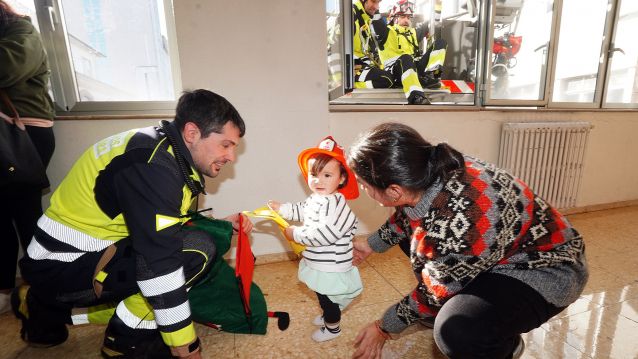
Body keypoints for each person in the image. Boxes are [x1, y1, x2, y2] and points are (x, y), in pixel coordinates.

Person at [11, 89, 253, 359]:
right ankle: (126, 339)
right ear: (192, 133)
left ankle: (39, 306)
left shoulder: (160, 150)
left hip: (63, 259)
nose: (231, 157)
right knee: (195, 250)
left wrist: (218, 225)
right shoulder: (153, 167)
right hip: (61, 265)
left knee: (190, 241)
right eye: (226, 145)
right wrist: (185, 346)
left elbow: (161, 221)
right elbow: (160, 262)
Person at [348, 123, 588, 358]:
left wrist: (384, 327)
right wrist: (369, 245)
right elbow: (411, 213)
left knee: (458, 331)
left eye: (364, 185)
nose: (362, 189)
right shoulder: (435, 167)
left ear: (393, 191)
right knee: (417, 245)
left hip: (546, 268)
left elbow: (433, 292)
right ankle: (463, 297)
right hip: (498, 250)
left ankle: (503, 346)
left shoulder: (458, 222)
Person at [268, 136, 363, 342]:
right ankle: (327, 314)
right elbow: (302, 210)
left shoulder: (337, 206)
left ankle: (333, 328)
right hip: (319, 262)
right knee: (321, 294)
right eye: (313, 175)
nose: (318, 181)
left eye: (327, 175)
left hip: (332, 266)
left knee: (328, 299)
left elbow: (323, 234)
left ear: (342, 179)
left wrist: (295, 234)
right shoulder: (317, 199)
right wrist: (282, 209)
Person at [0, 1, 55, 314]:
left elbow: (8, 67)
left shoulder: (22, 30)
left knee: (25, 212)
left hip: (23, 137)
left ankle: (40, 287)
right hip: (10, 135)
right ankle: (7, 289)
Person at [370, 0, 446, 105]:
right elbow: (376, 19)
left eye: (408, 17)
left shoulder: (413, 32)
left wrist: (438, 4)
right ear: (394, 18)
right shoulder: (385, 32)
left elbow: (433, 21)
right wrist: (375, 4)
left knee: (440, 43)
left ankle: (431, 75)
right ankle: (416, 96)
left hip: (413, 71)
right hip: (396, 74)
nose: (406, 20)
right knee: (406, 58)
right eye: (402, 17)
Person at [352, 0, 394, 92]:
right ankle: (353, 86)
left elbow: (382, 36)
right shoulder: (351, 15)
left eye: (378, 3)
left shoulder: (365, 18)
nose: (376, 7)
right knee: (386, 79)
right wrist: (343, 83)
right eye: (373, 1)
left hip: (358, 65)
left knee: (392, 78)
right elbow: (337, 48)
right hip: (347, 71)